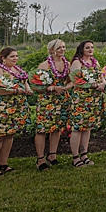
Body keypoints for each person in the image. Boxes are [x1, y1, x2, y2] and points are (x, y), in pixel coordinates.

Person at [0, 47, 32, 177]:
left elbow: (25, 82)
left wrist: (27, 88)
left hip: (16, 107)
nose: (15, 58)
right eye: (12, 56)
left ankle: (3, 163)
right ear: (3, 58)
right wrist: (16, 91)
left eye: (16, 56)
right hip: (0, 107)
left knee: (10, 135)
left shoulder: (18, 70)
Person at [30, 39, 72, 171]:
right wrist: (52, 88)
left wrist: (66, 87)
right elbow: (35, 86)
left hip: (62, 99)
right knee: (42, 129)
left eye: (64, 47)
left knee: (57, 128)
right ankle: (40, 158)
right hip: (47, 100)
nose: (63, 50)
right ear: (51, 50)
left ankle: (52, 155)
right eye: (59, 48)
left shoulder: (67, 64)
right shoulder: (44, 66)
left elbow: (72, 81)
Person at [69, 40, 106, 167]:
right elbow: (75, 80)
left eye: (92, 47)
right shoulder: (77, 62)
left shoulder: (95, 62)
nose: (90, 50)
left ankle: (84, 154)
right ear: (82, 49)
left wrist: (103, 83)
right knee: (78, 128)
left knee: (87, 127)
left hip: (93, 100)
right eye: (87, 48)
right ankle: (75, 157)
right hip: (81, 99)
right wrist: (93, 85)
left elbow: (102, 77)